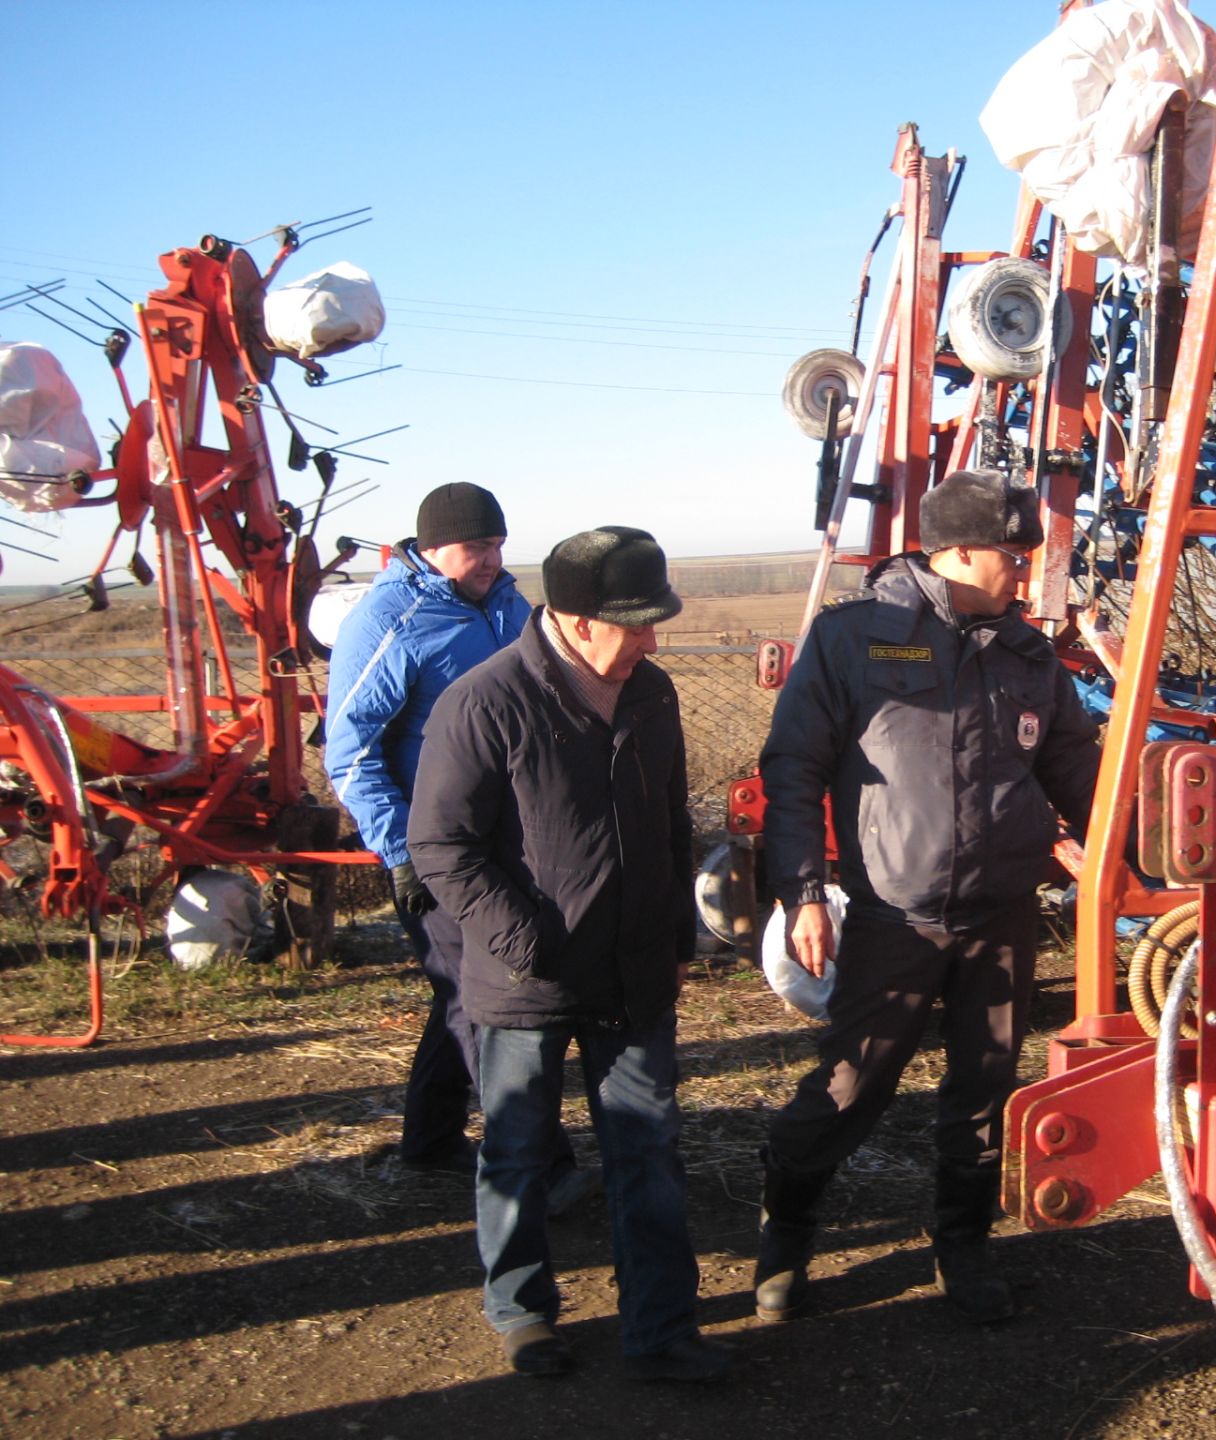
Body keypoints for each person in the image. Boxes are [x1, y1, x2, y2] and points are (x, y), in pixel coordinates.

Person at [754, 469, 1102, 1325]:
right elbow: (792, 767)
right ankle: (785, 1236)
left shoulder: (1026, 653)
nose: (1026, 571)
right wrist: (800, 891)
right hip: (894, 913)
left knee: (985, 1089)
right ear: (957, 551)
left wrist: (1122, 846)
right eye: (1013, 556)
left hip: (1003, 913)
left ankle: (965, 1245)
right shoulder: (856, 641)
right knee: (851, 1083)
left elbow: (1075, 768)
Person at [408, 526, 730, 1383]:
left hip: (632, 976)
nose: (653, 641)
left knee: (649, 1149)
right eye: (637, 623)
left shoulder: (651, 695)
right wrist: (528, 944)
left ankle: (660, 1326)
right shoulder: (485, 702)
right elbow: (441, 846)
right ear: (577, 621)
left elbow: (668, 827)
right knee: (517, 1149)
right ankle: (522, 1312)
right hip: (526, 981)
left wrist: (674, 943)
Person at [326, 481, 593, 1202]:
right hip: (437, 849)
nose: (491, 558)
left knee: (459, 990)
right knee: (487, 998)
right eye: (477, 547)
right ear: (431, 547)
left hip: (512, 840)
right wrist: (402, 850)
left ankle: (429, 1140)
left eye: (498, 544)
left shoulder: (507, 605)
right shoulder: (389, 618)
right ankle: (543, 1165)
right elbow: (349, 750)